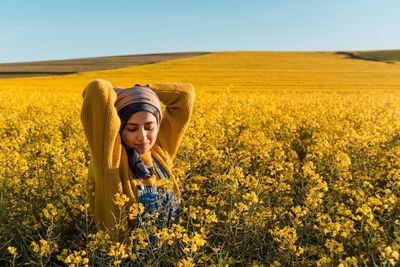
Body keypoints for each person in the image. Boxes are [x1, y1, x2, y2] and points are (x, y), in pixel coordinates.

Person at [80, 79, 195, 241]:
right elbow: (97, 89)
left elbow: (185, 96)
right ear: (119, 126)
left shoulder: (160, 151)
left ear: (158, 124)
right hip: (121, 258)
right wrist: (123, 94)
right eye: (132, 128)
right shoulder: (109, 156)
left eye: (149, 127)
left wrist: (145, 90)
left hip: (166, 253)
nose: (143, 137)